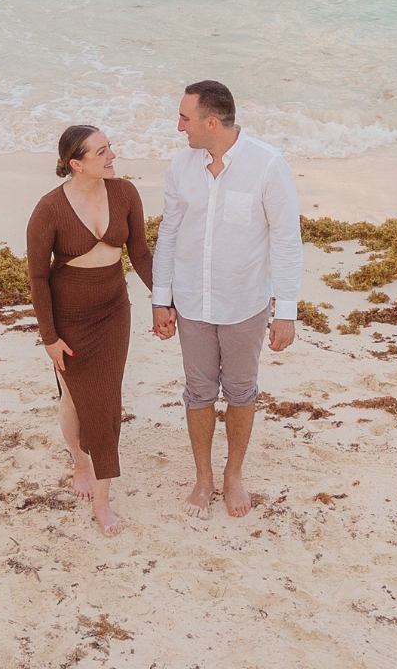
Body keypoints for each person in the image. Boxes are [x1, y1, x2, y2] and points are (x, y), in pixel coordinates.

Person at [152, 81, 303, 519]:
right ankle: (203, 476)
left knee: (240, 391)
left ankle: (233, 474)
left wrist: (286, 311)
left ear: (211, 123)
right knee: (198, 392)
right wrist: (162, 300)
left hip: (245, 305)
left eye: (185, 118)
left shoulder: (268, 166)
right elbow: (169, 234)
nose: (179, 127)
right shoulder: (181, 166)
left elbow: (287, 242)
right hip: (193, 304)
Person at [26, 125, 154, 536]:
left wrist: (166, 301)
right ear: (77, 164)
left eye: (110, 147)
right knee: (74, 402)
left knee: (106, 401)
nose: (112, 155)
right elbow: (38, 279)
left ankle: (102, 501)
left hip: (113, 310)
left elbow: (140, 254)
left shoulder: (125, 193)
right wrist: (49, 337)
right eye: (102, 152)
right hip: (70, 316)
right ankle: (80, 462)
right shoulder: (49, 209)